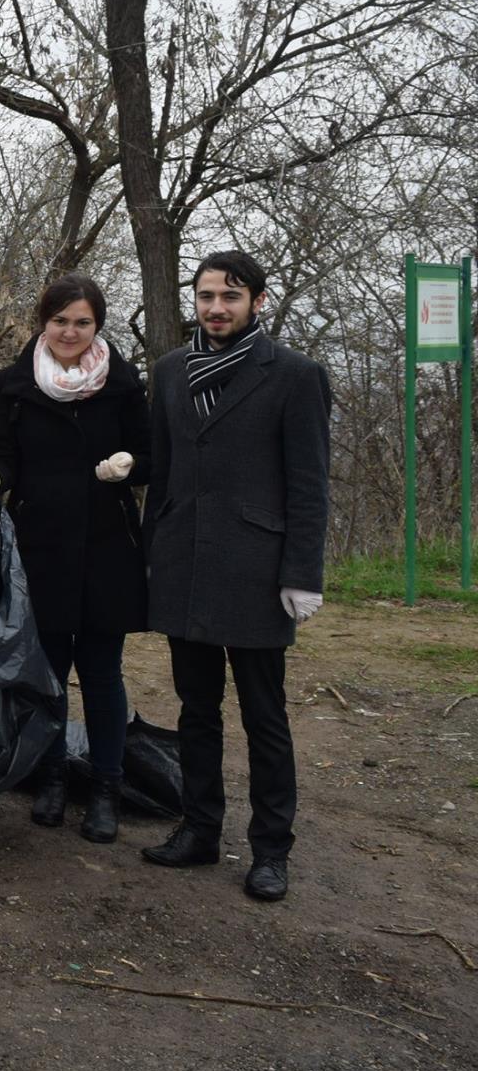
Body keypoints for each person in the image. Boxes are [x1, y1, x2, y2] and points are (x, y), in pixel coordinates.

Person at [140, 251, 330, 902]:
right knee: (196, 710)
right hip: (185, 565)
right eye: (206, 296)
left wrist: (302, 572)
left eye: (231, 295)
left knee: (264, 716)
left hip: (256, 571)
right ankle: (199, 828)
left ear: (258, 301)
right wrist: (150, 552)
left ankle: (271, 849)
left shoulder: (295, 375)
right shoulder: (169, 371)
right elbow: (161, 475)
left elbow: (309, 486)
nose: (217, 307)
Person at [0, 274, 149, 844]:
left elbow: (152, 455)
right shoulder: (13, 384)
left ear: (97, 324)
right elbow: (5, 457)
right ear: (43, 323)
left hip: (108, 547)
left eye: (82, 322)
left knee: (102, 672)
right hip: (42, 545)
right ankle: (50, 776)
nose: (70, 332)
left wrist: (130, 462)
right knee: (48, 672)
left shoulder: (124, 384)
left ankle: (106, 786)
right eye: (60, 322)